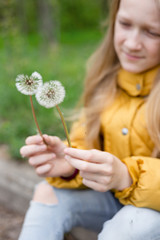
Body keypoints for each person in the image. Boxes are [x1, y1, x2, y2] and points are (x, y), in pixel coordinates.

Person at [18, 0, 160, 239]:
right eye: (124, 24)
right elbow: (87, 141)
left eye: (153, 32)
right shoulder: (104, 80)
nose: (133, 43)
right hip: (112, 200)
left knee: (134, 223)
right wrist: (72, 165)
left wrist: (127, 176)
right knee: (47, 193)